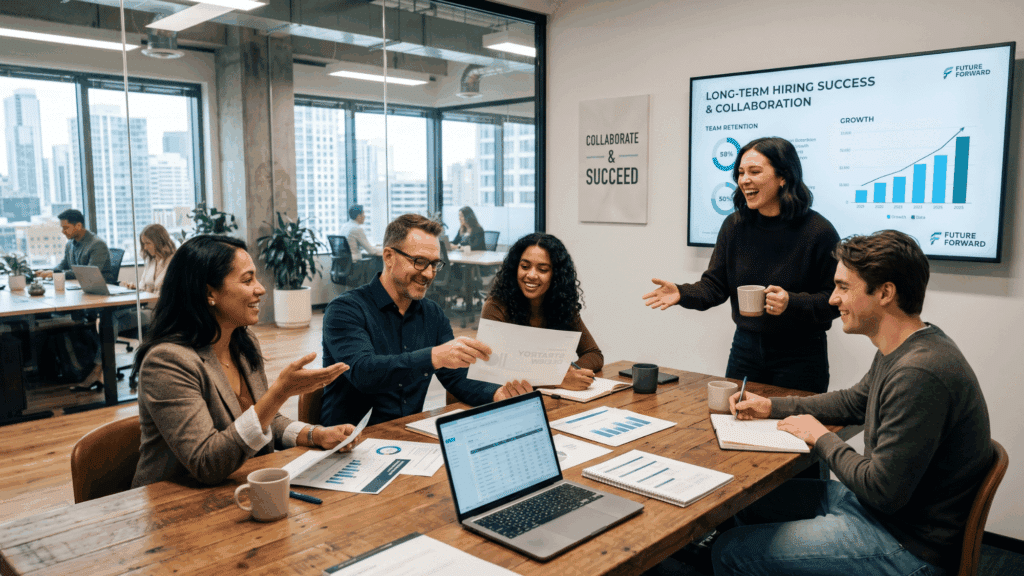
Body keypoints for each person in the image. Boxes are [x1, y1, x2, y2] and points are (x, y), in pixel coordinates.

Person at [711, 230, 992, 576]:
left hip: (905, 542)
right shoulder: (910, 345)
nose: (832, 300)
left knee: (729, 551)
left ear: (886, 292)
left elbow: (882, 490)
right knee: (749, 505)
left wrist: (819, 436)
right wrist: (772, 407)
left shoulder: (919, 372)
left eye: (844, 287)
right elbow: (854, 401)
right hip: (882, 513)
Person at [131, 235, 360, 488]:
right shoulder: (167, 362)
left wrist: (314, 434)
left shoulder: (241, 341)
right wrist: (279, 393)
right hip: (173, 506)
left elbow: (265, 420)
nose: (260, 289)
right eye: (247, 280)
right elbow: (207, 463)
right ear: (209, 292)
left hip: (238, 486)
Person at [643, 137, 839, 394]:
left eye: (755, 172)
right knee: (734, 423)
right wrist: (682, 293)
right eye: (740, 173)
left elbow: (835, 301)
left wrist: (791, 302)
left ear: (783, 177)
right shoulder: (735, 226)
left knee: (793, 430)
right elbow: (715, 286)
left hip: (800, 355)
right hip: (746, 349)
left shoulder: (819, 231)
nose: (744, 180)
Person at [320, 213, 531, 427]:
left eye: (435, 264)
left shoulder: (432, 314)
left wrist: (496, 393)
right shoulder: (345, 309)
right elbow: (363, 372)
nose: (429, 274)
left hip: (407, 436)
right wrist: (434, 356)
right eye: (420, 262)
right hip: (347, 443)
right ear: (389, 257)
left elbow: (455, 377)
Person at [482, 233, 603, 390]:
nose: (531, 275)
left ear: (555, 275)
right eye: (524, 267)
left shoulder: (562, 305)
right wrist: (557, 377)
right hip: (514, 399)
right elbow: (492, 370)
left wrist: (571, 372)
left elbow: (593, 354)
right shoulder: (496, 306)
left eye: (543, 269)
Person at [36, 208, 113, 283]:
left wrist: (57, 274)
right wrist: (50, 272)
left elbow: (89, 273)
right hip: (79, 286)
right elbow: (64, 264)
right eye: (62, 228)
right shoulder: (70, 244)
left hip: (100, 288)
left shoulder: (97, 244)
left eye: (66, 228)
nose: (63, 232)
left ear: (78, 226)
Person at [123, 223, 175, 293]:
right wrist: (135, 288)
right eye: (143, 244)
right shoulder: (152, 261)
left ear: (159, 241)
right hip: (150, 302)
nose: (145, 247)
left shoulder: (173, 261)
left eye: (148, 243)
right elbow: (143, 286)